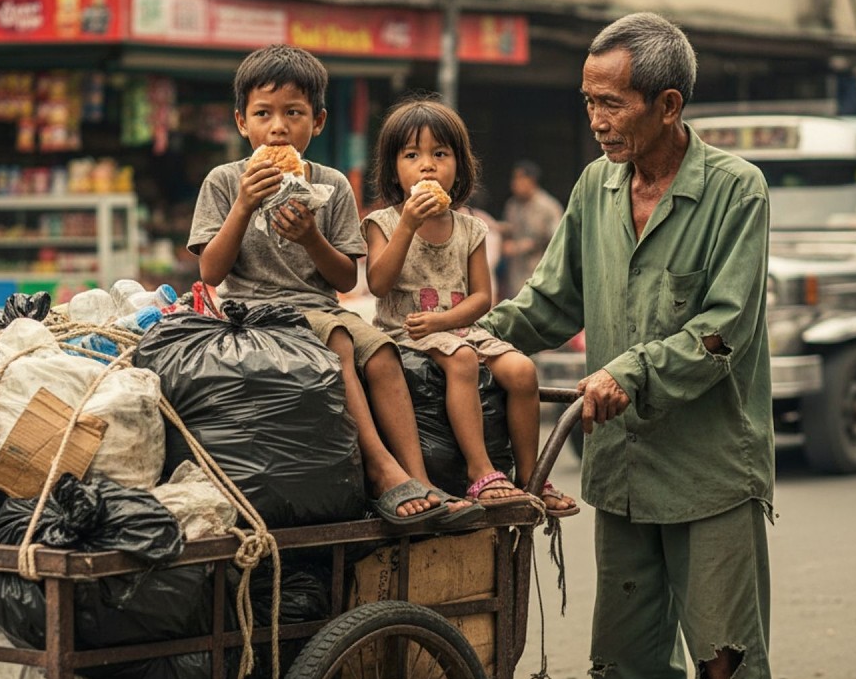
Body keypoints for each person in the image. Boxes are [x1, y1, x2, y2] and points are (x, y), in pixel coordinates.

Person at [479, 12, 776, 679]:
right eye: (589, 102)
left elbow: (722, 332)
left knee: (725, 673)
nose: (596, 120)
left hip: (711, 477)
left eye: (611, 103)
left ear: (668, 105)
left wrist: (631, 371)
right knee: (625, 668)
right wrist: (474, 341)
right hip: (622, 474)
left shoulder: (738, 191)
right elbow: (550, 303)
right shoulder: (595, 187)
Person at [190, 44, 480, 529]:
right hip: (250, 309)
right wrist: (243, 205)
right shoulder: (224, 181)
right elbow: (211, 274)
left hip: (319, 306)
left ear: (318, 121)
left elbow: (346, 278)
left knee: (383, 351)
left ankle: (418, 474)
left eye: (294, 113)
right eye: (263, 114)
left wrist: (310, 236)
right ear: (242, 122)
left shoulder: (333, 185)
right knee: (341, 341)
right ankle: (380, 467)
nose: (278, 126)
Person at [362, 94, 578, 518]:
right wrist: (407, 223)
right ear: (393, 169)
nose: (427, 165)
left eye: (439, 154)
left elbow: (482, 298)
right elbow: (377, 282)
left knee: (522, 370)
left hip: (460, 328)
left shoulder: (471, 228)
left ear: (459, 164)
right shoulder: (382, 223)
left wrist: (446, 319)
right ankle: (482, 470)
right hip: (406, 332)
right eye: (412, 155)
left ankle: (531, 475)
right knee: (461, 360)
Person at [498, 159, 562, 299]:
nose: (515, 183)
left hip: (540, 274)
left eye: (520, 178)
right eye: (514, 179)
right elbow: (511, 230)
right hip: (515, 275)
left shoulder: (548, 207)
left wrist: (522, 246)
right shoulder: (512, 205)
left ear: (531, 180)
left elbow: (558, 242)